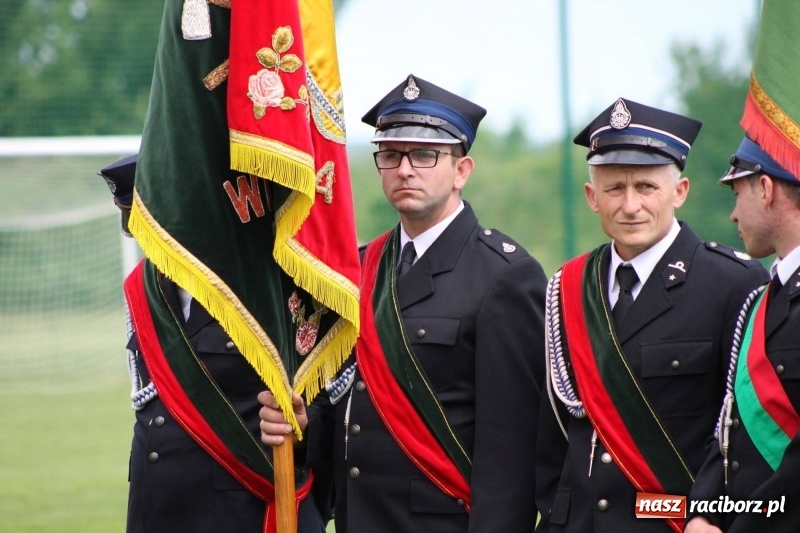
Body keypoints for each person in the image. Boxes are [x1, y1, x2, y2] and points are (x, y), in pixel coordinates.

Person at [258, 74, 547, 533]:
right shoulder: (356, 270)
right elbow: (344, 406)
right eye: (391, 155)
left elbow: (511, 453)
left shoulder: (504, 277)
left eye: (425, 155)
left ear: (462, 170)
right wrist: (303, 426)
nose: (405, 169)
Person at [534, 98, 769, 533]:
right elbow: (551, 440)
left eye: (646, 187)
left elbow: (745, 435)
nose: (630, 206)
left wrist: (713, 515)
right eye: (614, 189)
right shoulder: (567, 287)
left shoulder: (733, 284)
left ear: (680, 192)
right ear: (591, 197)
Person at [99, 156, 330, 533]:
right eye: (139, 227)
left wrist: (303, 430)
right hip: (156, 506)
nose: (151, 239)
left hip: (241, 507)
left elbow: (328, 401)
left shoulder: (273, 278)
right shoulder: (143, 286)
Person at [685, 136, 800, 532]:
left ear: (765, 188)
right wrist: (704, 512)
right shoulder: (764, 298)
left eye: (737, 194)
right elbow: (731, 424)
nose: (733, 215)